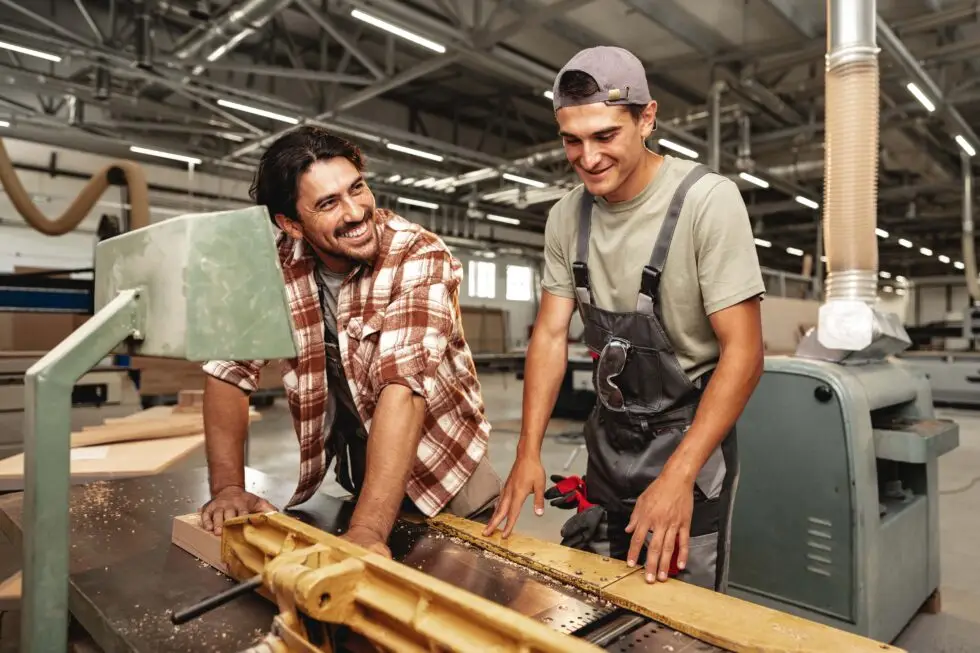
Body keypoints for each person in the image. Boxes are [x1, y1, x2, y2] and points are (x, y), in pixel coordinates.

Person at [484, 46, 766, 593]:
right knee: (603, 589)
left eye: (605, 135)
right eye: (572, 140)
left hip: (690, 438)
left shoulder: (707, 202)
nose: (587, 158)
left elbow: (745, 353)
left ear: (647, 118)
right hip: (610, 441)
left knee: (677, 605)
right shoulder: (567, 216)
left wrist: (680, 476)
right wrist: (528, 453)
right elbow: (548, 334)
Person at [198, 125, 501, 556]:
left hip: (448, 482)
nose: (356, 212)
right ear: (291, 223)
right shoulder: (273, 267)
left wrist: (368, 532)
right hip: (363, 478)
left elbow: (404, 389)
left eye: (357, 188)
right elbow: (229, 370)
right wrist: (228, 488)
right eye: (328, 203)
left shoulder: (418, 257)